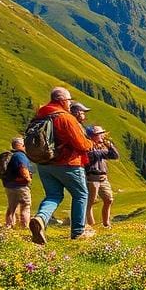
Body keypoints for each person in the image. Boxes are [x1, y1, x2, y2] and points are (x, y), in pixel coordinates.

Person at [28, 87, 95, 244]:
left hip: (44, 163)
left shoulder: (40, 115)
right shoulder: (65, 118)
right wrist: (91, 143)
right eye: (69, 100)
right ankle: (78, 232)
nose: (70, 103)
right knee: (81, 194)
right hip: (68, 164)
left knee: (53, 195)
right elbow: (81, 144)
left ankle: (40, 219)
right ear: (62, 100)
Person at [84, 126, 119, 228]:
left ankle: (106, 223)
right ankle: (91, 225)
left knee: (109, 199)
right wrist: (104, 151)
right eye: (100, 134)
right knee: (90, 202)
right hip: (92, 177)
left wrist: (110, 145)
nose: (102, 136)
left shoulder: (102, 146)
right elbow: (93, 155)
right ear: (93, 136)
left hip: (103, 177)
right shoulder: (88, 146)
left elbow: (115, 155)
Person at [1, 137, 32, 229]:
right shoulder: (20, 155)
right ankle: (24, 226)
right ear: (22, 145)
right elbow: (23, 168)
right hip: (21, 186)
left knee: (11, 206)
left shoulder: (10, 155)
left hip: (9, 185)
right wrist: (28, 179)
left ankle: (9, 225)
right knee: (25, 205)